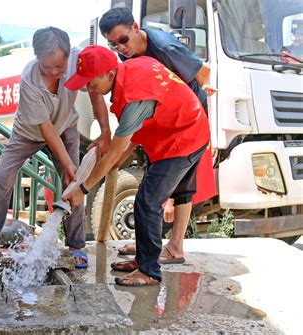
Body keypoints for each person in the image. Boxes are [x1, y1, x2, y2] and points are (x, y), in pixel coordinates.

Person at [63, 45, 210, 286]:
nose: (89, 89)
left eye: (91, 82)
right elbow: (132, 135)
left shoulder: (134, 95)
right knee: (146, 199)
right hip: (172, 132)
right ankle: (144, 258)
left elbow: (113, 155)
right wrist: (115, 156)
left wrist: (83, 190)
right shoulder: (131, 68)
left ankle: (149, 271)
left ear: (109, 74)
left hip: (184, 138)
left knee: (147, 202)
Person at [0, 27, 109, 268]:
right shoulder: (29, 80)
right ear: (37, 58)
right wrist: (65, 163)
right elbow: (45, 128)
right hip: (29, 132)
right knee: (2, 177)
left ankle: (76, 245)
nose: (54, 72)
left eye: (59, 66)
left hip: (66, 126)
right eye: (48, 67)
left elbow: (96, 90)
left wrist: (105, 130)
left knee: (74, 181)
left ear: (68, 55)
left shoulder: (79, 60)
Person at [97, 7, 216, 264]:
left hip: (185, 121)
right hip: (159, 121)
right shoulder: (127, 58)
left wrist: (200, 93)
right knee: (151, 179)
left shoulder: (164, 47)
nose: (121, 48)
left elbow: (202, 72)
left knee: (178, 186)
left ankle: (174, 247)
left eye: (123, 40)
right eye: (113, 45)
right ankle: (146, 245)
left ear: (136, 27)